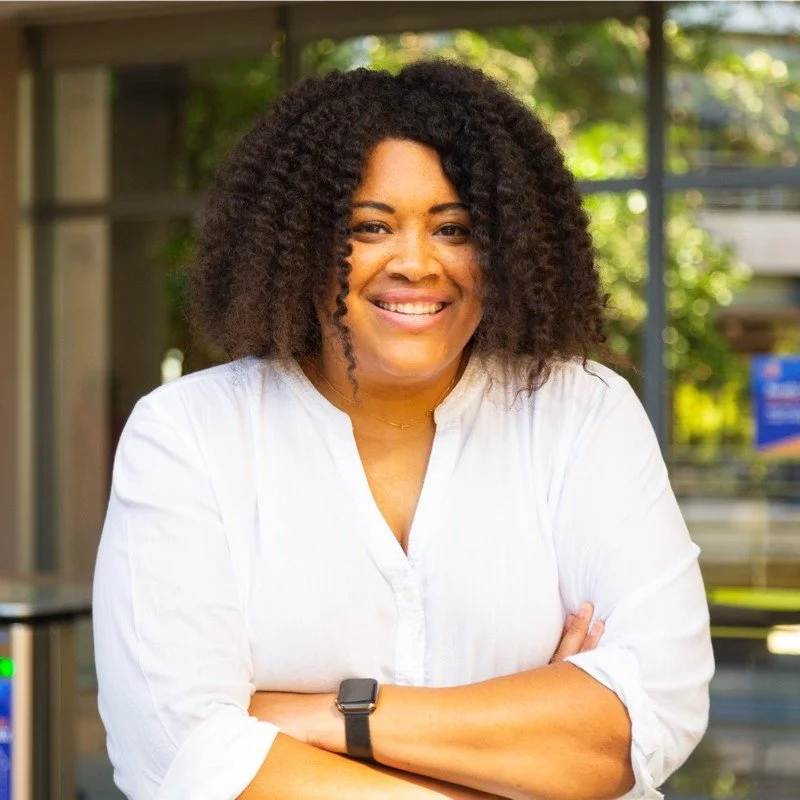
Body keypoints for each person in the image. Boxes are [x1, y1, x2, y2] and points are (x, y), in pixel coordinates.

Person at [92, 60, 714, 800]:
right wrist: (523, 747)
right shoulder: (189, 436)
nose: (416, 263)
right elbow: (178, 757)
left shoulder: (581, 412)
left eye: (453, 228)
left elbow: (652, 715)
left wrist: (330, 720)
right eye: (370, 227)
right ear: (297, 244)